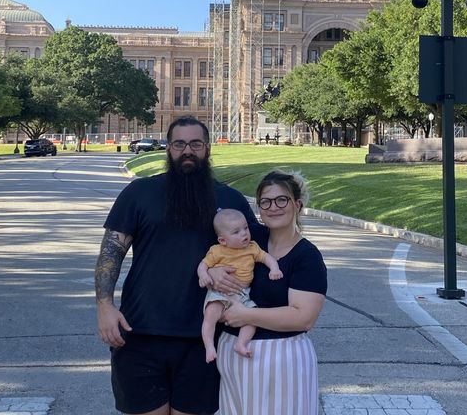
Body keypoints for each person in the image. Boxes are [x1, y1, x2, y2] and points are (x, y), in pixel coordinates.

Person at [95, 116, 264, 415]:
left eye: (196, 144)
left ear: (208, 148)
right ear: (168, 148)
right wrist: (105, 306)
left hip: (205, 340)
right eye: (179, 144)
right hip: (139, 334)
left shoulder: (230, 199)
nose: (188, 150)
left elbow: (256, 256)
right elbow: (111, 251)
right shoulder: (139, 194)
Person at [216, 170, 327, 415]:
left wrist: (246, 316)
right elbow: (214, 256)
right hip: (231, 354)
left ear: (297, 204)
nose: (273, 207)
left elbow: (303, 318)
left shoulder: (306, 256)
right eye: (265, 201)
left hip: (281, 358)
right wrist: (213, 273)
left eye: (282, 200)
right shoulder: (249, 239)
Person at [198, 208, 282, 363]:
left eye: (245, 228)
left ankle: (241, 344)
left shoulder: (252, 247)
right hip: (220, 292)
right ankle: (209, 346)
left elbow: (266, 257)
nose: (244, 234)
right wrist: (204, 275)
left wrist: (274, 268)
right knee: (211, 314)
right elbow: (203, 265)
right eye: (236, 232)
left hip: (242, 293)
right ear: (223, 240)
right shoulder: (217, 251)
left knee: (252, 317)